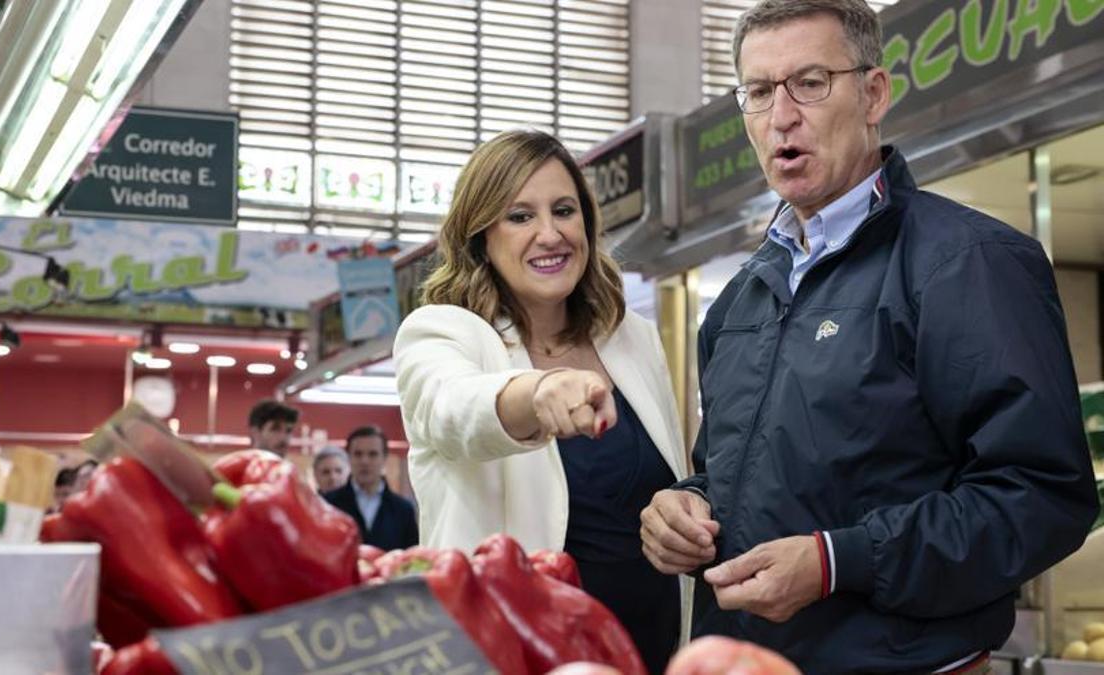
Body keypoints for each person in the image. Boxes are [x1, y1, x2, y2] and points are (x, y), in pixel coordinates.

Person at [638, 1, 1100, 673]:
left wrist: (838, 561)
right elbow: (740, 474)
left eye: (811, 82)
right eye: (759, 92)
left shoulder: (967, 263)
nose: (781, 116)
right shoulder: (740, 299)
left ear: (874, 93)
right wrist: (687, 506)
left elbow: (1043, 495)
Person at [393, 129, 692, 673]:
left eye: (563, 210)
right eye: (520, 216)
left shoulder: (633, 338)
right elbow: (450, 409)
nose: (550, 234)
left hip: (652, 655)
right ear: (481, 235)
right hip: (514, 656)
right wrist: (539, 391)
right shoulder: (439, 333)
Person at [323, 426, 418, 551]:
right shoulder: (327, 505)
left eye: (372, 454)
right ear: (348, 457)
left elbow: (411, 559)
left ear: (384, 458)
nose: (365, 461)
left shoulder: (404, 510)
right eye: (358, 454)